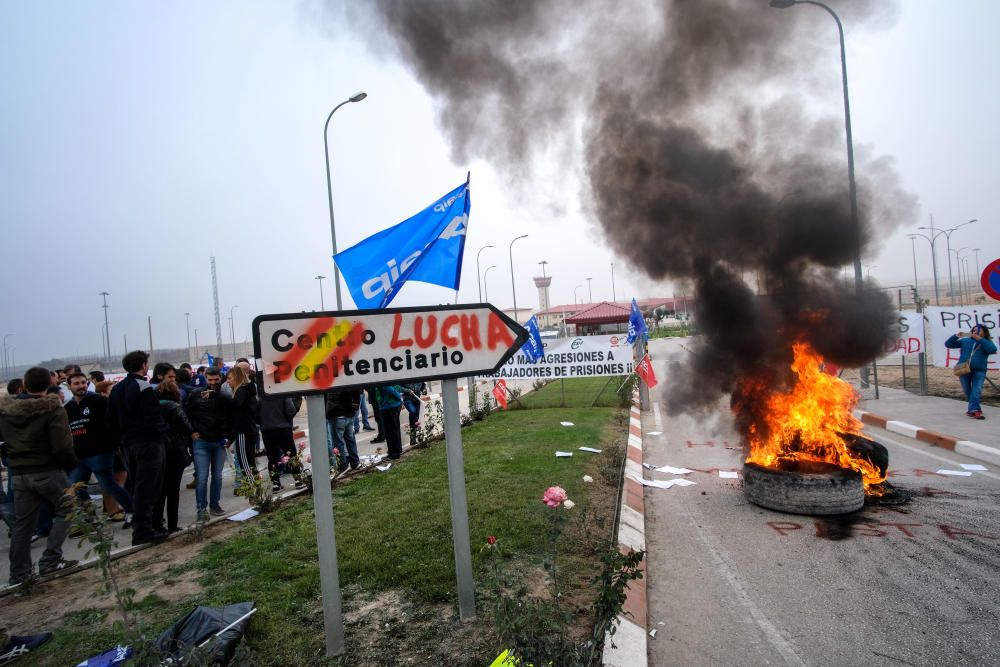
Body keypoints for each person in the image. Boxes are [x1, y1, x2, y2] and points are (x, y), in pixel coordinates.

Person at [0, 367, 79, 584]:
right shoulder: (52, 409)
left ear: (24, 385)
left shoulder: (6, 411)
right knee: (69, 509)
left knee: (23, 525)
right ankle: (50, 559)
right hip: (47, 470)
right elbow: (63, 445)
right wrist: (70, 465)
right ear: (49, 384)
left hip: (19, 473)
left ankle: (19, 574)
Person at [108, 351, 168, 546]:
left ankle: (143, 527)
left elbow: (111, 419)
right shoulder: (143, 387)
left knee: (136, 486)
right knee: (148, 486)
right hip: (148, 443)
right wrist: (163, 432)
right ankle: (144, 530)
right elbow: (153, 417)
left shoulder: (116, 390)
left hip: (128, 444)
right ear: (143, 365)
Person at [64, 372, 133, 523]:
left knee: (109, 485)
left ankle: (133, 511)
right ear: (69, 386)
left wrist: (114, 445)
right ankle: (89, 517)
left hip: (100, 453)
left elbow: (113, 423)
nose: (81, 386)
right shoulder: (68, 408)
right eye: (76, 383)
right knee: (75, 488)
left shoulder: (99, 401)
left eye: (83, 382)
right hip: (79, 455)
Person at [184, 367, 229, 522]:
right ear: (205, 379)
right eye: (210, 380)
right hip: (201, 440)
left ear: (220, 378)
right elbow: (185, 414)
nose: (213, 383)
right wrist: (191, 432)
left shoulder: (224, 396)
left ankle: (214, 505)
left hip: (218, 441)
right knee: (202, 477)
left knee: (217, 476)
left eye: (216, 380)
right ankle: (201, 508)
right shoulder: (196, 394)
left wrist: (228, 436)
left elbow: (230, 415)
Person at [154, 381, 195, 533]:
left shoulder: (153, 407)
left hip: (158, 451)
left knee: (159, 491)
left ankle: (157, 524)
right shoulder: (174, 406)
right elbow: (187, 426)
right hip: (176, 451)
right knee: (173, 491)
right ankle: (172, 525)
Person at [945, 324, 997, 420]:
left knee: (976, 390)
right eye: (974, 330)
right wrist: (956, 336)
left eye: (979, 330)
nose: (976, 332)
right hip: (963, 369)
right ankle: (975, 409)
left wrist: (980, 339)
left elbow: (992, 349)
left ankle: (973, 410)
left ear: (984, 333)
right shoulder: (965, 341)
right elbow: (948, 344)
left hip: (979, 370)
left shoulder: (987, 342)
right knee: (968, 391)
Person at [226, 365, 260, 496]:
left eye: (229, 378)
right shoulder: (248, 390)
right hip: (249, 430)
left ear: (237, 377)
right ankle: (256, 489)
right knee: (250, 462)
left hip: (244, 432)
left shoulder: (241, 391)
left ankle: (254, 492)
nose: (228, 381)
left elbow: (236, 413)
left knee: (245, 463)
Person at [259, 394, 302, 490]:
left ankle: (275, 483)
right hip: (283, 428)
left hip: (267, 430)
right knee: (291, 454)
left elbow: (256, 414)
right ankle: (297, 479)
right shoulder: (282, 393)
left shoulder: (261, 395)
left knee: (272, 457)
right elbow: (291, 411)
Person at [326, 389, 361, 472]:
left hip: (338, 414)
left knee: (338, 442)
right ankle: (355, 462)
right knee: (350, 439)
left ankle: (343, 465)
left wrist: (329, 412)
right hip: (348, 413)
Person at [374, 384, 404, 460]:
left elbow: (388, 388)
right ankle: (397, 450)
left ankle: (394, 454)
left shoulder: (382, 377)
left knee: (390, 431)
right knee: (395, 429)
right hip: (393, 405)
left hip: (388, 406)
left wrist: (399, 397)